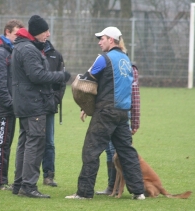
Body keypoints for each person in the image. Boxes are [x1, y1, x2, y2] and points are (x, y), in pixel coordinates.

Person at [65, 26, 145, 200]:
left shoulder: (103, 59)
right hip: (123, 113)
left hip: (106, 111)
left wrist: (85, 105)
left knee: (91, 150)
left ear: (111, 40)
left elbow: (86, 81)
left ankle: (84, 193)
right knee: (127, 152)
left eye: (102, 38)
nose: (99, 42)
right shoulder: (126, 60)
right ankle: (139, 192)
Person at [11, 15, 71, 198]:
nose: (48, 34)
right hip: (33, 103)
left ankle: (19, 183)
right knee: (35, 143)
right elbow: (37, 76)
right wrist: (61, 76)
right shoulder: (29, 50)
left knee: (24, 143)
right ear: (37, 33)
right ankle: (28, 186)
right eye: (46, 31)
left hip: (25, 103)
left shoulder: (22, 47)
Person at [95, 43, 141, 195]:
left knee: (119, 151)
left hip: (119, 113)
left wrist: (135, 121)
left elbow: (135, 95)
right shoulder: (114, 65)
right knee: (110, 150)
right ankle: (112, 187)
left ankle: (121, 188)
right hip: (111, 110)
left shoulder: (129, 67)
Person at [0, 19, 24, 191]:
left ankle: (2, 179)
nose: (18, 36)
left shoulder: (9, 51)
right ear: (7, 31)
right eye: (16, 33)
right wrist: (10, 103)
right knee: (0, 143)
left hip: (9, 105)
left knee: (5, 142)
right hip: (3, 106)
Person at [42, 40, 66, 187]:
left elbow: (61, 81)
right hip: (32, 104)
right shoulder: (29, 51)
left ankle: (48, 175)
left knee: (49, 142)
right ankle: (24, 178)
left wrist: (55, 99)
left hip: (49, 104)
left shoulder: (56, 55)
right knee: (28, 141)